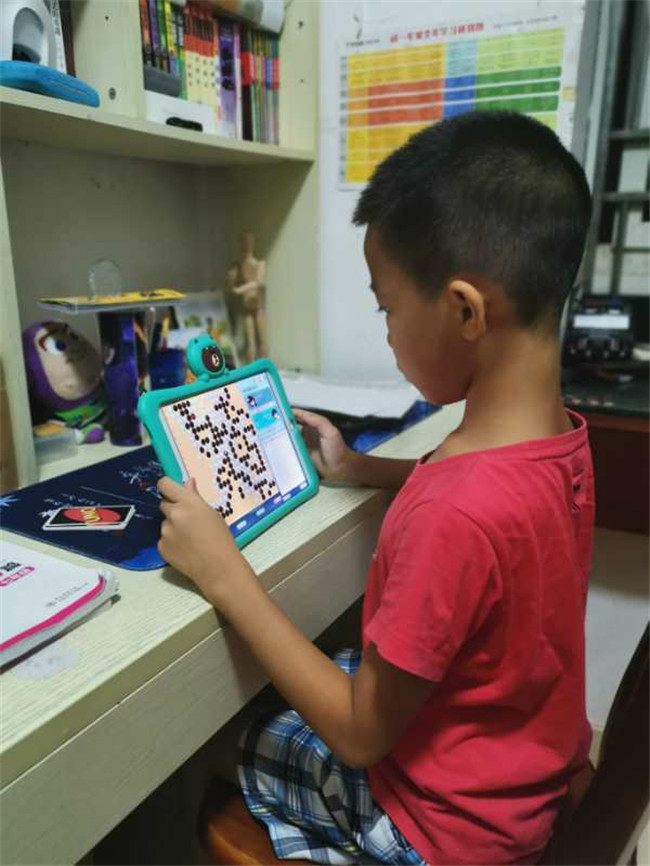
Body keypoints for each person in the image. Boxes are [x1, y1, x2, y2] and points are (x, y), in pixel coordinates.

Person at [157, 110, 594, 865]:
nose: (386, 329)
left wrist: (224, 573)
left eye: (387, 307)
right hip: (520, 787)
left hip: (438, 831)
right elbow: (495, 514)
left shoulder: (451, 511)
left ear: (465, 310)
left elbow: (361, 735)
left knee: (211, 742)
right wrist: (362, 469)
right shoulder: (563, 444)